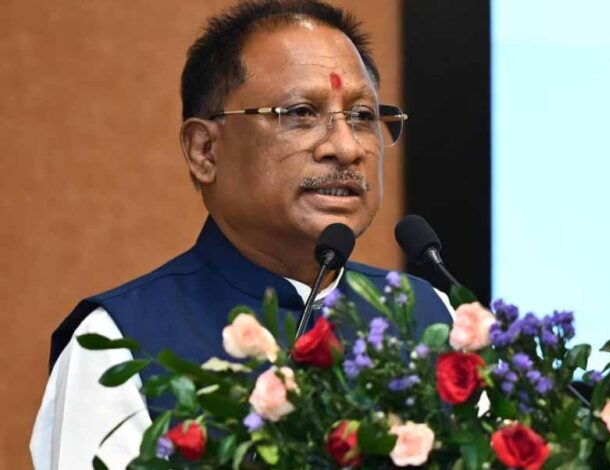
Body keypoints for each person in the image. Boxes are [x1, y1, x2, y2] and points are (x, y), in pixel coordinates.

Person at [29, 1, 453, 468]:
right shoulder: (118, 342)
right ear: (205, 150)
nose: (346, 147)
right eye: (301, 112)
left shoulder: (431, 316)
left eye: (362, 116)